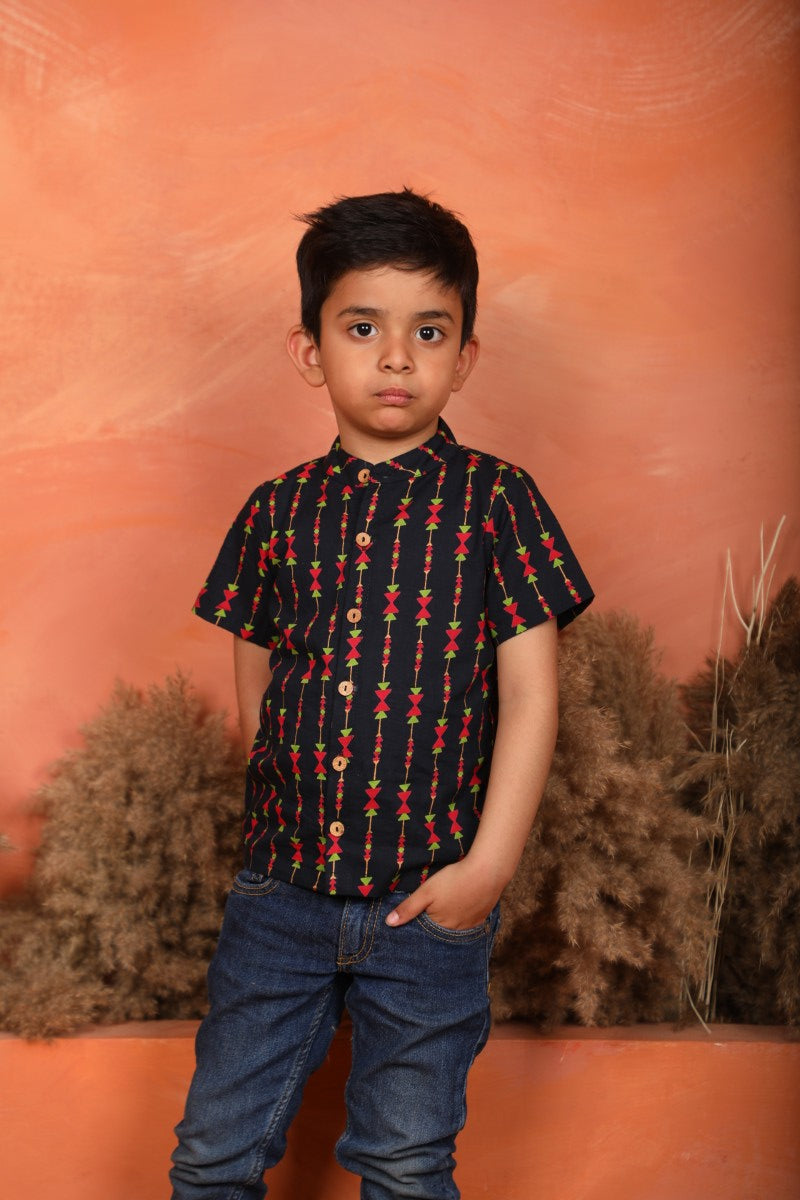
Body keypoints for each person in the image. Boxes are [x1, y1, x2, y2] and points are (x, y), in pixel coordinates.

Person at [170, 189, 593, 1200]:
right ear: (310, 350)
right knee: (214, 1152)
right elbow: (258, 668)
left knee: (406, 1161)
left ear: (465, 357)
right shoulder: (275, 511)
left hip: (428, 902)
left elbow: (530, 698)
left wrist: (486, 870)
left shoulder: (498, 501)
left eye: (427, 332)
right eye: (362, 328)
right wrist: (274, 820)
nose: (396, 358)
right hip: (282, 897)